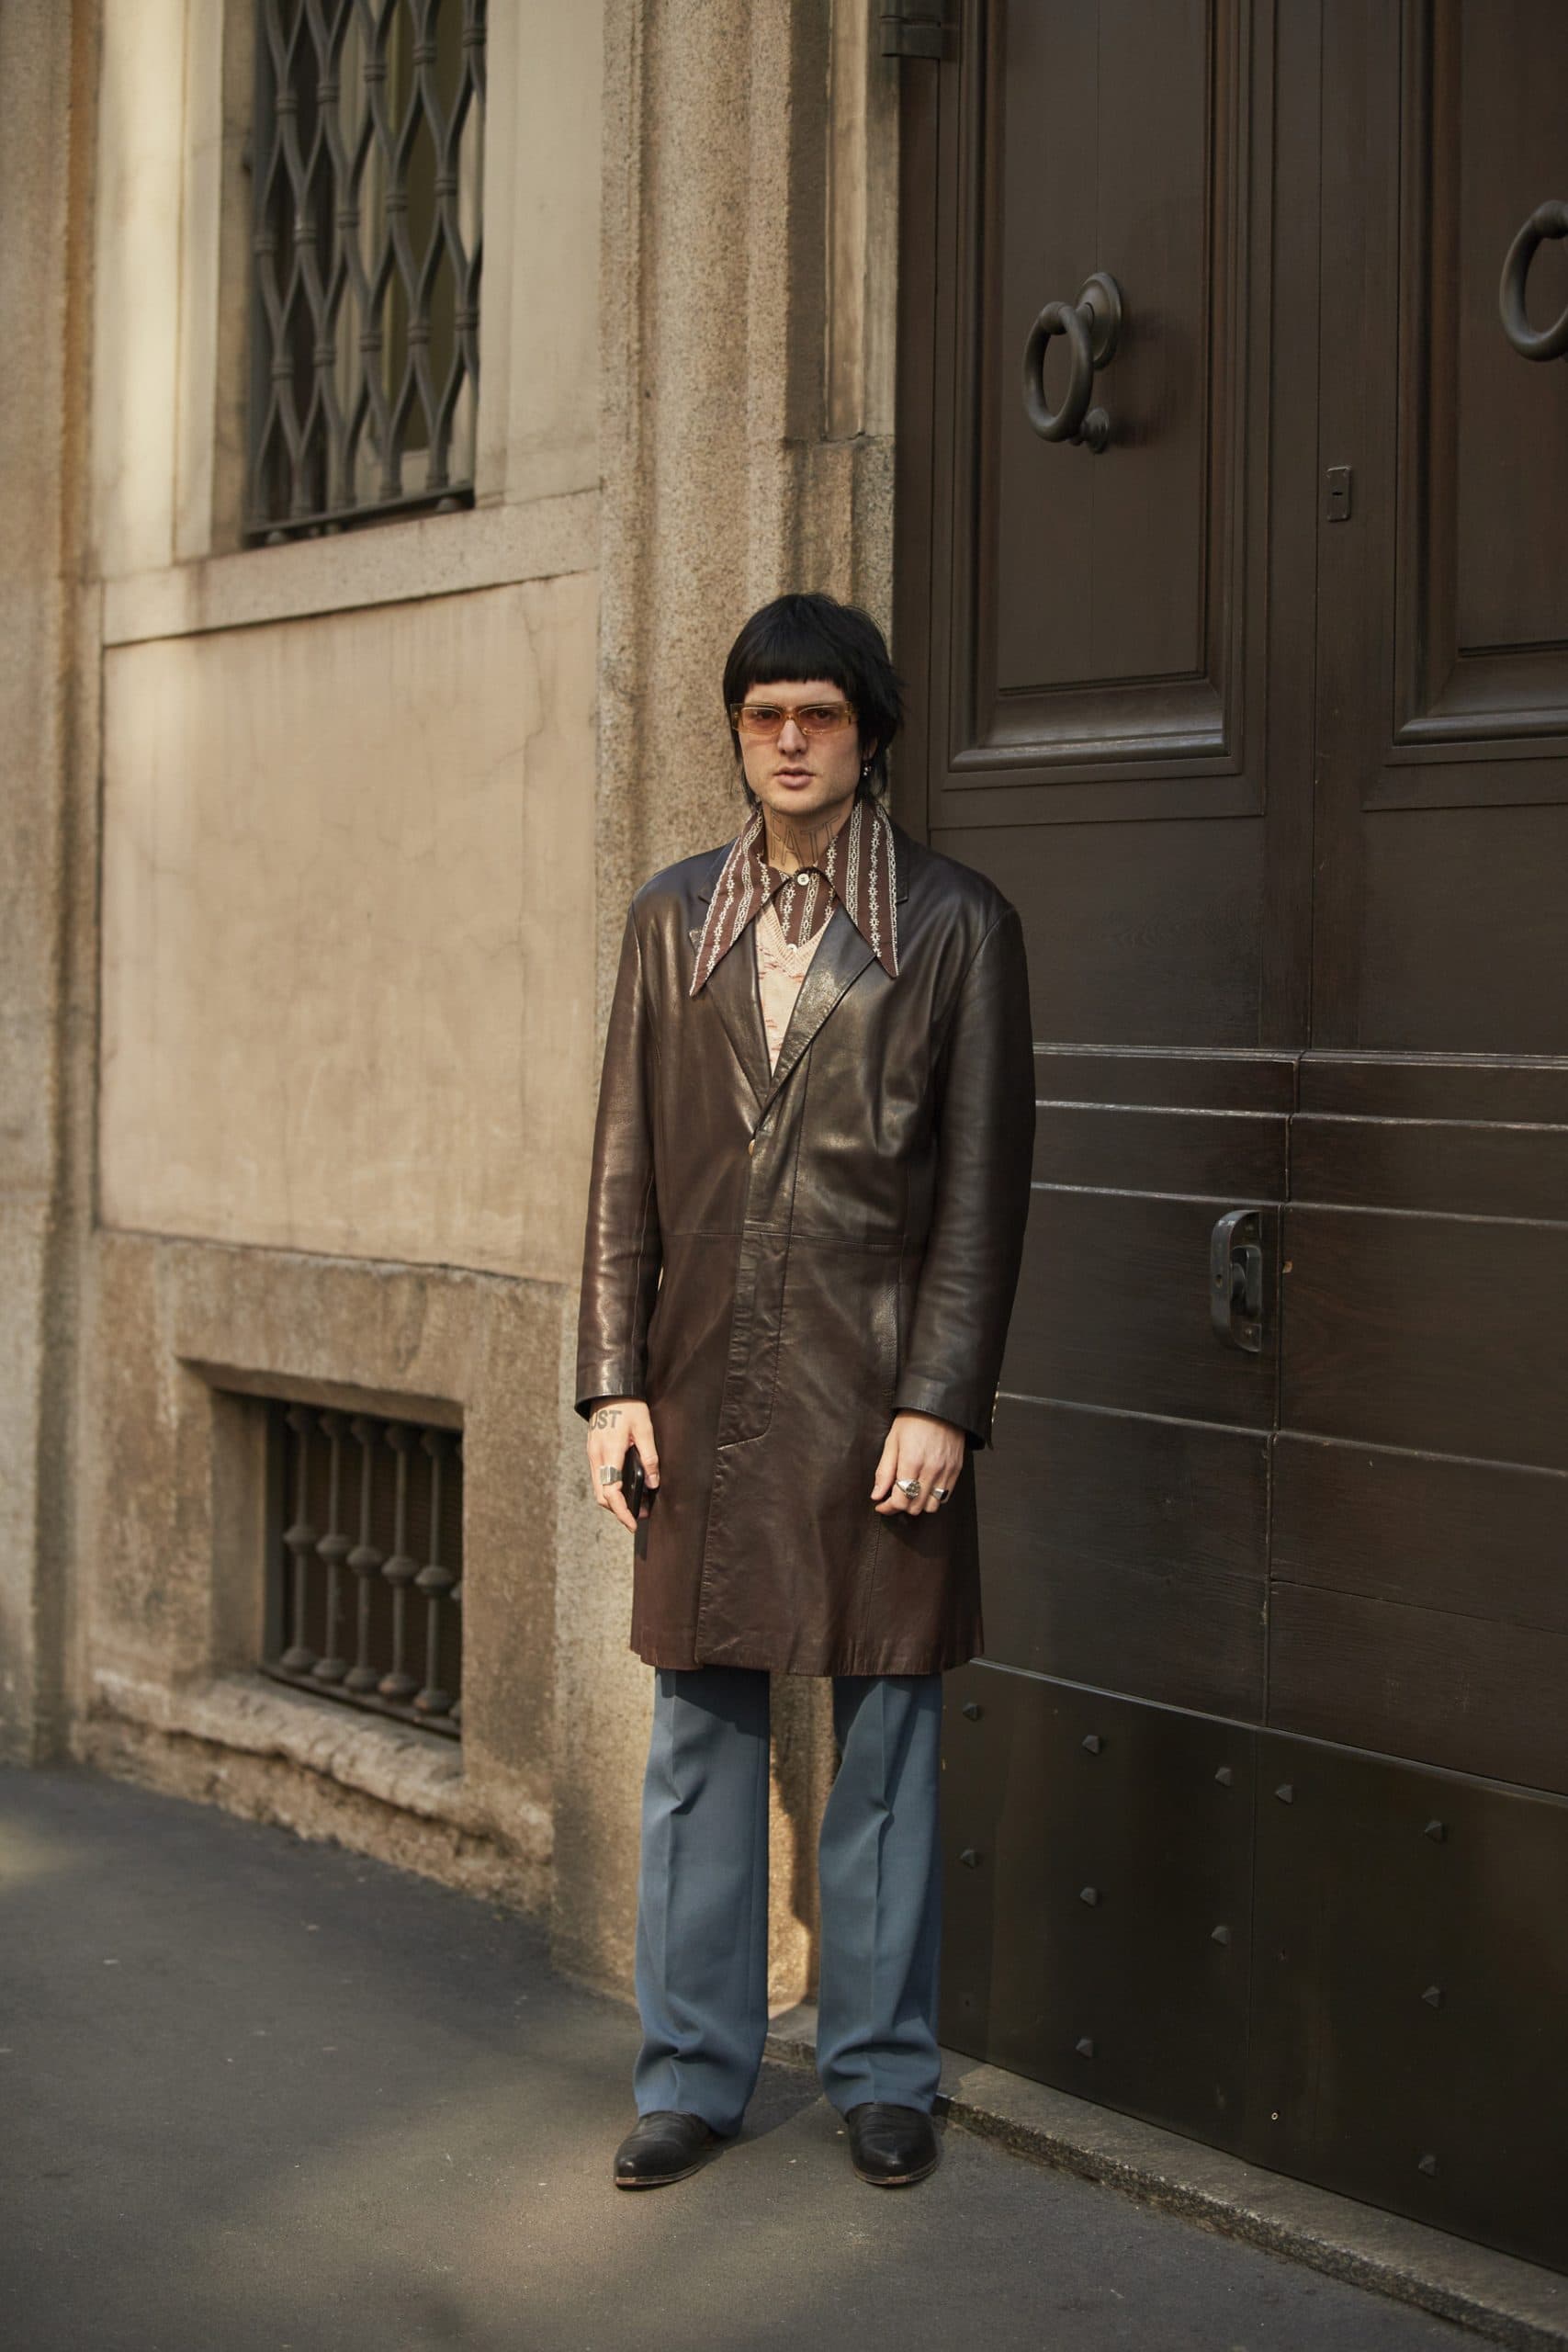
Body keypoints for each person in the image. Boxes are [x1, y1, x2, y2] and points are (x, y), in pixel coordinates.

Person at [575, 591, 1035, 2191]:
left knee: (885, 1738)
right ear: (736, 732)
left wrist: (942, 1399)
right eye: (763, 714)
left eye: (819, 715)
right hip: (700, 1385)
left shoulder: (958, 925)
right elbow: (621, 1164)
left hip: (879, 1392)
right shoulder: (669, 918)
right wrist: (612, 1385)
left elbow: (984, 1190)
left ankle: (882, 2072)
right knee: (698, 1743)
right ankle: (691, 2074)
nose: (788, 741)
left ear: (869, 734)